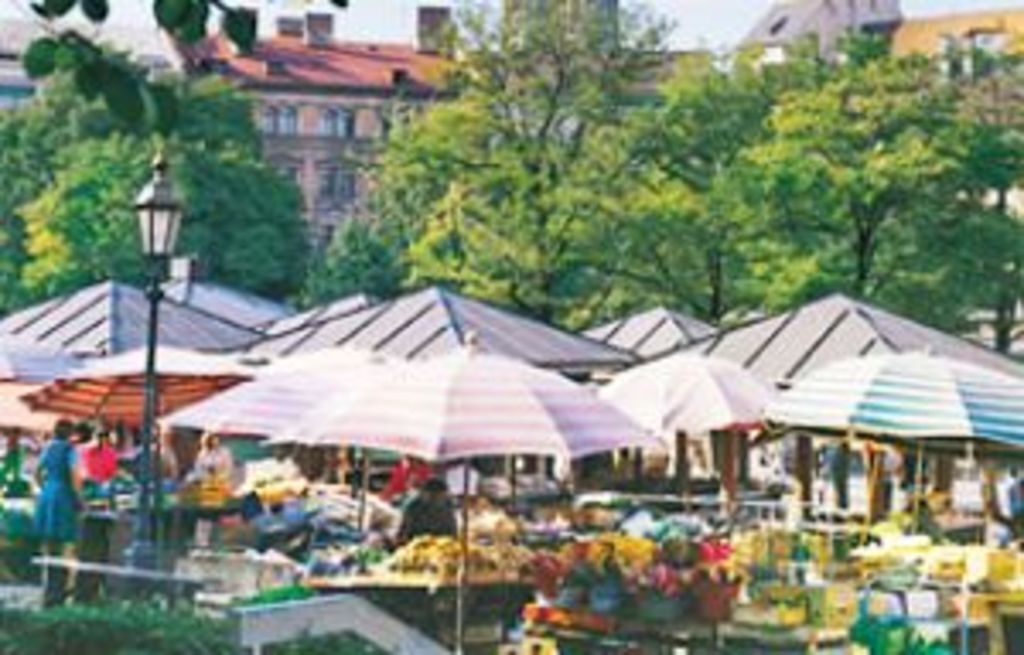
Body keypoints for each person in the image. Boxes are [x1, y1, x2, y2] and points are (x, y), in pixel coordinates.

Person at [34, 420, 83, 606]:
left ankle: (49, 585)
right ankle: (61, 586)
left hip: (48, 494)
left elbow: (38, 473)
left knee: (49, 540)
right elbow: (74, 476)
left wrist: (45, 487)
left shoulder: (48, 447)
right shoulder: (70, 450)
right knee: (65, 542)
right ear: (70, 432)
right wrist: (79, 500)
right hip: (63, 495)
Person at [397, 477, 457, 545]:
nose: (434, 498)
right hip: (416, 543)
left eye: (438, 495)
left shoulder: (448, 504)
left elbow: (453, 530)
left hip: (442, 544)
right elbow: (404, 530)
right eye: (432, 495)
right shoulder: (414, 505)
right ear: (423, 493)